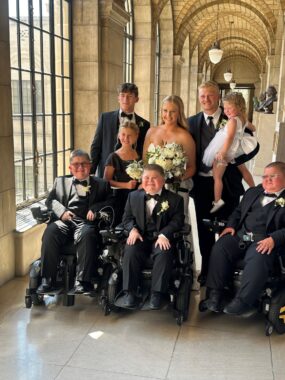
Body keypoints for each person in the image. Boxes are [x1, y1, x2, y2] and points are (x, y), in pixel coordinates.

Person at [203, 161, 285, 315]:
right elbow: (238, 212)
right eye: (264, 176)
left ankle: (243, 301)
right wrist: (231, 226)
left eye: (272, 176)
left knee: (259, 255)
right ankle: (215, 294)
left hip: (265, 240)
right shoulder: (253, 192)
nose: (267, 180)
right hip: (241, 235)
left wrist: (274, 239)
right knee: (221, 246)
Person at [188, 81, 245, 285]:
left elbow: (247, 145)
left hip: (227, 184)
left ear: (218, 97)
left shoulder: (232, 117)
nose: (206, 99)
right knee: (204, 229)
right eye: (202, 96)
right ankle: (206, 269)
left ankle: (224, 274)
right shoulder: (191, 122)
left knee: (227, 227)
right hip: (202, 185)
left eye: (210, 95)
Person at [38, 149, 114, 294]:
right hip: (65, 221)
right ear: (70, 168)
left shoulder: (102, 184)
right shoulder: (60, 182)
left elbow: (111, 202)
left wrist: (95, 209)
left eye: (84, 163)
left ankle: (82, 281)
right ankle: (47, 279)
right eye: (76, 164)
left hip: (87, 223)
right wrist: (62, 212)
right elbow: (50, 201)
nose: (80, 167)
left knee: (86, 234)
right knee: (51, 231)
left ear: (90, 165)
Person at [122, 164, 185, 309]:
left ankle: (157, 293)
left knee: (164, 252)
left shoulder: (175, 199)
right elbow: (127, 218)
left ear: (163, 181)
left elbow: (178, 221)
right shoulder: (133, 196)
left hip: (161, 237)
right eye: (146, 178)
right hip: (141, 237)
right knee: (131, 249)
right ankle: (130, 292)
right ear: (141, 179)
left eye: (154, 178)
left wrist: (165, 234)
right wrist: (132, 230)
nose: (150, 181)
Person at [203, 92, 258, 213]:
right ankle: (255, 190)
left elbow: (229, 137)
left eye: (229, 108)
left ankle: (217, 201)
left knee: (217, 177)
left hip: (227, 151)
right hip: (235, 151)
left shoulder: (233, 121)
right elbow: (253, 128)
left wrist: (222, 152)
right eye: (225, 108)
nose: (226, 111)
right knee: (243, 169)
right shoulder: (242, 118)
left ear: (239, 106)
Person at [143, 95, 196, 217]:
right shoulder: (151, 132)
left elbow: (192, 168)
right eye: (165, 111)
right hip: (152, 187)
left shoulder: (185, 136)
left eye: (173, 111)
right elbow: (145, 162)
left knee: (175, 224)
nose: (168, 115)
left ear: (179, 113)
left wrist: (174, 179)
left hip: (176, 189)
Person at [90, 83, 150, 177]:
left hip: (133, 174)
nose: (125, 99)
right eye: (122, 95)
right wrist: (91, 172)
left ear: (136, 99)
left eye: (130, 96)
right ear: (118, 98)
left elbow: (144, 151)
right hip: (106, 172)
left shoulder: (145, 124)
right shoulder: (105, 118)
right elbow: (96, 146)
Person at [104, 121, 140, 223]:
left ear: (136, 136)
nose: (126, 138)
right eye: (123, 134)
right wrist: (126, 185)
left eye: (130, 135)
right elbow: (106, 181)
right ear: (119, 136)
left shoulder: (139, 155)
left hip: (138, 197)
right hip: (121, 198)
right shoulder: (113, 157)